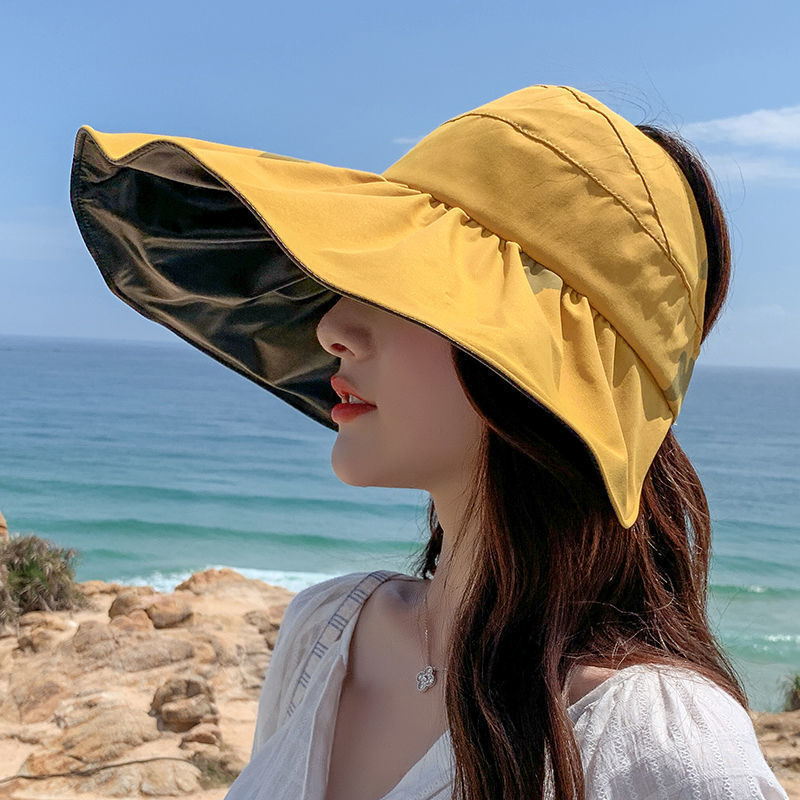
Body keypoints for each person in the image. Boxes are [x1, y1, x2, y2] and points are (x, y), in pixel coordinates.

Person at [69, 84, 789, 799]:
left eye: (399, 289)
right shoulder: (325, 633)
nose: (331, 329)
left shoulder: (662, 745)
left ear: (546, 361)